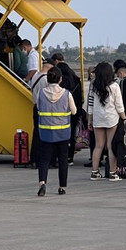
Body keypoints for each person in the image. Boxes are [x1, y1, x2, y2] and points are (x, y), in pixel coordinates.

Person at [35, 66, 76, 196]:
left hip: (46, 132)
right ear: (60, 79)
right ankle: (62, 187)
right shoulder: (67, 94)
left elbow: (38, 107)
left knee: (44, 159)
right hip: (63, 132)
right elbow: (74, 111)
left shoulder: (41, 93)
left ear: (47, 79)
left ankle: (42, 183)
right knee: (63, 160)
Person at [87, 62, 126, 181]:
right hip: (111, 118)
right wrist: (124, 118)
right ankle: (113, 173)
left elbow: (90, 103)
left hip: (98, 118)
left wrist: (89, 119)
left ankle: (94, 172)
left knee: (98, 146)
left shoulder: (93, 85)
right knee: (110, 146)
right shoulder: (114, 86)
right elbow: (119, 105)